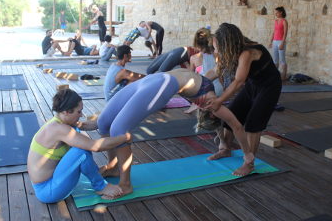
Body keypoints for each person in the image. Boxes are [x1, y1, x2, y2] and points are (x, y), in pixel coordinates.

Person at [97, 68, 255, 198]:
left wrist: (239, 153)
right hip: (155, 80)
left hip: (160, 81)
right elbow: (235, 126)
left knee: (118, 129)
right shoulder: (212, 104)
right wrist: (236, 150)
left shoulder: (210, 100)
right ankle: (113, 167)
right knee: (103, 122)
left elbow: (229, 125)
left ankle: (125, 184)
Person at [27, 89, 132, 203]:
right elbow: (95, 146)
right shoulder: (59, 129)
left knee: (81, 145)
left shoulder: (60, 121)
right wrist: (125, 137)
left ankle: (98, 176)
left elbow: (87, 125)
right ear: (67, 111)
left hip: (52, 181)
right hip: (48, 191)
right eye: (79, 111)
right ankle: (101, 187)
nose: (81, 115)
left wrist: (111, 117)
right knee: (81, 151)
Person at [204, 23, 282, 164]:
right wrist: (196, 82)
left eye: (217, 47)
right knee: (233, 113)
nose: (215, 50)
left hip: (269, 86)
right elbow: (216, 71)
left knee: (254, 122)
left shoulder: (248, 52)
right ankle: (226, 149)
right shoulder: (230, 52)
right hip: (253, 84)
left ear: (227, 43)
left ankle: (249, 163)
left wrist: (219, 100)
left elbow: (238, 82)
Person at [269, 6, 288, 81]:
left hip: (281, 41)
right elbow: (274, 32)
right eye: (275, 12)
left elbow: (285, 33)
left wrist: (282, 43)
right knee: (275, 60)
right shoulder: (275, 21)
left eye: (277, 12)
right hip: (275, 41)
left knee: (282, 60)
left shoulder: (284, 21)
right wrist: (271, 41)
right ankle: (275, 75)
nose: (276, 14)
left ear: (281, 12)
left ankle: (283, 76)